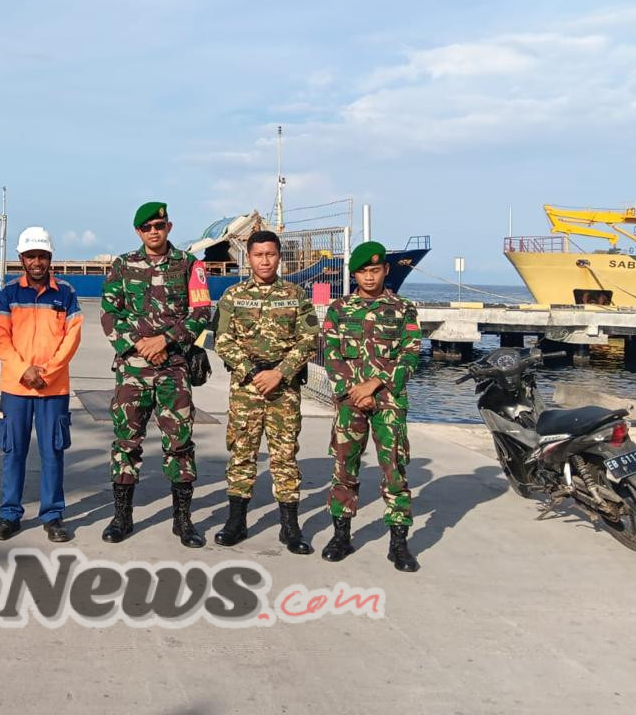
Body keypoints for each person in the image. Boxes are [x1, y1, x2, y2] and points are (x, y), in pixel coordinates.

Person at [99, 201, 213, 547]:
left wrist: (165, 339)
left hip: (173, 369)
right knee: (125, 443)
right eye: (147, 227)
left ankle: (183, 520)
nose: (154, 231)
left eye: (159, 225)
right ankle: (122, 517)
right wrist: (139, 344)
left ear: (169, 227)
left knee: (179, 444)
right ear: (138, 232)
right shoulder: (123, 265)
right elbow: (108, 313)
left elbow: (202, 311)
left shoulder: (190, 265)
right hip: (133, 370)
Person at [320, 240, 423, 572]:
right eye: (363, 271)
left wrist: (374, 384)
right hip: (351, 403)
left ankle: (399, 544)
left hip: (389, 402)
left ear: (385, 270)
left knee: (394, 469)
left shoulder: (404, 309)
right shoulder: (339, 309)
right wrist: (354, 391)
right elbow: (331, 355)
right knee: (343, 468)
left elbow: (410, 354)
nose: (369, 277)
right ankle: (341, 536)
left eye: (375, 270)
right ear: (354, 274)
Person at [212, 229, 318, 552]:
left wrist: (281, 372)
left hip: (283, 389)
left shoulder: (296, 295)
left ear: (279, 256)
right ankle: (236, 521)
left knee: (284, 455)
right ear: (249, 258)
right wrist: (251, 370)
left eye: (270, 254)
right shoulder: (233, 295)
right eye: (258, 255)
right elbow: (221, 338)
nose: (265, 260)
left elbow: (310, 339)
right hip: (246, 388)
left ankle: (290, 527)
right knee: (242, 452)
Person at [0, 226, 83, 542]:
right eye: (31, 256)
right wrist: (22, 370)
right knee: (13, 451)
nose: (37, 262)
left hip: (52, 388)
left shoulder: (66, 294)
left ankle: (53, 515)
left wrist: (47, 371)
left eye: (42, 256)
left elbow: (72, 337)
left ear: (50, 258)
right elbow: (1, 338)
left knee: (52, 451)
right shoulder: (9, 294)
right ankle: (9, 514)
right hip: (16, 387)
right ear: (21, 259)